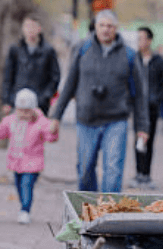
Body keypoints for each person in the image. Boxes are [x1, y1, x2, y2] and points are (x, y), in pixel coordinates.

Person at [49, 10, 149, 192]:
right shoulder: (82, 50)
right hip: (86, 120)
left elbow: (140, 95)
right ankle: (89, 210)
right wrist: (56, 116)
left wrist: (143, 127)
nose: (105, 30)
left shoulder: (130, 55)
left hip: (116, 121)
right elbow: (69, 85)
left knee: (113, 170)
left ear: (116, 29)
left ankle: (108, 214)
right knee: (85, 169)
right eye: (101, 25)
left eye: (110, 26)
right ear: (95, 27)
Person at [0, 88, 58, 224]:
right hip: (16, 162)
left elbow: (50, 135)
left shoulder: (40, 122)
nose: (24, 114)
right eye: (21, 110)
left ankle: (25, 210)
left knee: (26, 185)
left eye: (27, 111)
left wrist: (53, 131)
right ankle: (23, 207)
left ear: (33, 109)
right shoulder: (11, 121)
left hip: (33, 163)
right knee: (19, 187)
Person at [129, 26, 163, 187]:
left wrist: (156, 98)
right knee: (138, 138)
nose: (140, 42)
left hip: (152, 107)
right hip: (138, 106)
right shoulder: (134, 59)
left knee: (149, 139)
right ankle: (138, 173)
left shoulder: (159, 61)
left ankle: (147, 174)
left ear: (149, 40)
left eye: (142, 38)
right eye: (137, 38)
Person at [1, 14, 61, 116]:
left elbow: (55, 77)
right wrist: (7, 100)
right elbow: (8, 76)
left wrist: (45, 97)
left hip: (40, 105)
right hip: (18, 103)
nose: (30, 30)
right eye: (27, 26)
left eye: (33, 27)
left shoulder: (49, 51)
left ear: (39, 29)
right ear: (23, 29)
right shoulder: (15, 49)